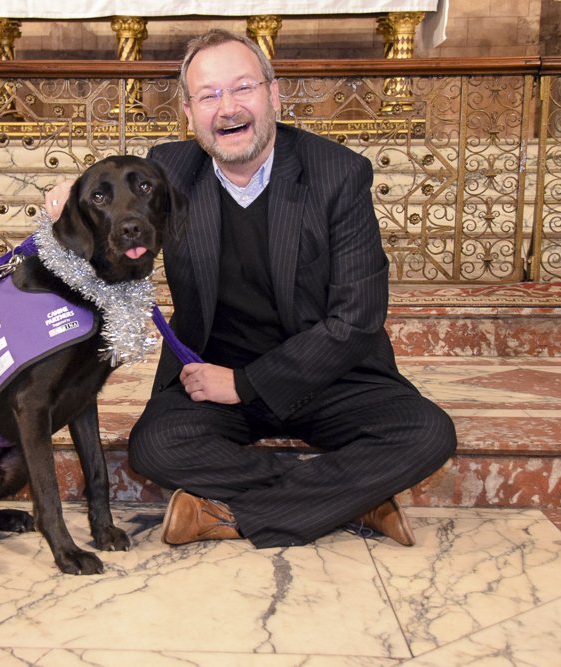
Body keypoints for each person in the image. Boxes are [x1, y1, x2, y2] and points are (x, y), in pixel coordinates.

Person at [46, 29, 457, 549]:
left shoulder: (338, 174)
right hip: (211, 376)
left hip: (330, 376)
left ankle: (223, 514)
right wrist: (73, 199)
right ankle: (355, 498)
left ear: (273, 95)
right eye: (209, 95)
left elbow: (356, 320)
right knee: (154, 447)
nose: (227, 108)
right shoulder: (168, 171)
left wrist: (244, 383)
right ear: (190, 114)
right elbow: (111, 195)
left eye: (242, 88)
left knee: (427, 433)